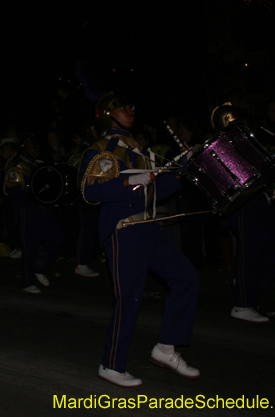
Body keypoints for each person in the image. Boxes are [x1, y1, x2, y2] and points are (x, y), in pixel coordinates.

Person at [81, 92, 200, 387]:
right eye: (123, 107)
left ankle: (166, 348)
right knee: (129, 299)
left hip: (148, 227)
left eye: (131, 106)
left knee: (187, 278)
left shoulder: (138, 149)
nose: (130, 110)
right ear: (108, 114)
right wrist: (129, 181)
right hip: (124, 230)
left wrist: (185, 168)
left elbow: (154, 193)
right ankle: (111, 365)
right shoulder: (102, 148)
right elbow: (92, 191)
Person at [3, 134, 63, 293]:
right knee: (30, 247)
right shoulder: (18, 165)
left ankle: (39, 267)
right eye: (32, 148)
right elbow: (9, 189)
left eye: (37, 147)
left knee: (56, 239)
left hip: (45, 209)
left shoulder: (41, 162)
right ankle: (27, 281)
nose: (35, 150)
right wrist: (26, 194)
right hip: (28, 211)